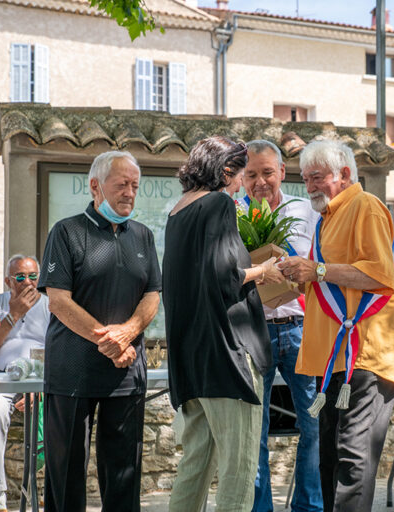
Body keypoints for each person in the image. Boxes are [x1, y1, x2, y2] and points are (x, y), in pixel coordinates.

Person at [278, 140, 394, 512]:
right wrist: (296, 275)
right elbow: (329, 282)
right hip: (332, 356)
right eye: (305, 180)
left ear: (344, 174)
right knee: (330, 458)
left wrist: (316, 269)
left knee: (353, 458)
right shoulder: (326, 219)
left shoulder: (365, 207)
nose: (310, 187)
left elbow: (380, 274)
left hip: (365, 353)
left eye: (316, 178)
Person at [163, 136, 283, 512]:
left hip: (191, 360)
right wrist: (263, 270)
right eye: (241, 174)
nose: (241, 185)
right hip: (228, 357)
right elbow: (224, 277)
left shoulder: (177, 212)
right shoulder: (218, 204)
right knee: (238, 468)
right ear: (226, 170)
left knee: (195, 465)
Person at [38, 150, 161, 512]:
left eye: (135, 186)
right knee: (66, 476)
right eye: (121, 184)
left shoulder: (143, 236)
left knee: (124, 475)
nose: (130, 193)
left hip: (125, 373)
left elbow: (153, 294)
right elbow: (59, 301)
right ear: (95, 186)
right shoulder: (67, 231)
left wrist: (128, 332)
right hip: (72, 372)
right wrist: (109, 340)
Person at [239, 140, 322, 512]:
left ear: (282, 173)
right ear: (241, 177)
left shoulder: (307, 211)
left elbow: (324, 264)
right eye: (251, 174)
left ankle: (309, 506)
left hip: (301, 330)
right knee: (254, 430)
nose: (260, 182)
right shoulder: (233, 214)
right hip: (253, 333)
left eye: (267, 172)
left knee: (315, 423)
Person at [0, 254, 49, 512]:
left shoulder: (51, 305)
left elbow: (57, 351)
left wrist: (38, 389)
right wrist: (14, 314)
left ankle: (39, 488)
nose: (28, 282)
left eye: (33, 276)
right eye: (20, 277)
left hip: (39, 378)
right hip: (0, 378)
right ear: (9, 281)